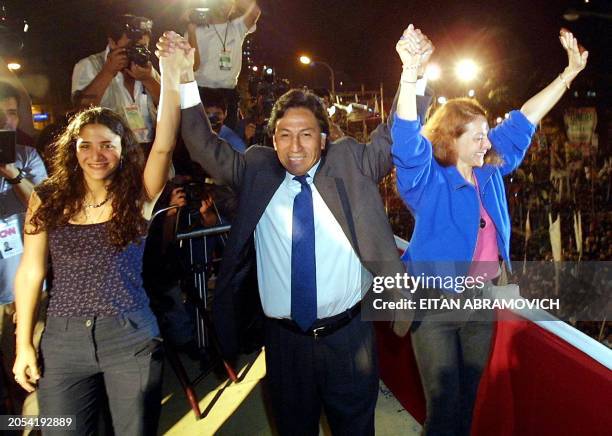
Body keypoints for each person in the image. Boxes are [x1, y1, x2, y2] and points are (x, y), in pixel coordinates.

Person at [156, 31, 432, 435]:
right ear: (273, 140)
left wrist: (412, 74)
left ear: (323, 139)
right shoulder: (255, 169)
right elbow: (200, 143)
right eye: (284, 135)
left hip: (349, 339)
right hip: (285, 344)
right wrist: (182, 76)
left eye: (306, 134)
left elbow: (393, 137)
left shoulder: (351, 163)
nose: (295, 146)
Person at [391, 25, 588, 435]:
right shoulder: (428, 179)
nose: (487, 142)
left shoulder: (492, 168)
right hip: (435, 303)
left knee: (467, 401)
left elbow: (525, 117)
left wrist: (568, 75)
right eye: (478, 136)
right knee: (443, 408)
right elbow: (407, 141)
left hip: (481, 301)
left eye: (486, 134)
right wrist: (410, 75)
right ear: (451, 138)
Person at [11, 39, 187, 435]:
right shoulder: (48, 198)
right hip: (63, 341)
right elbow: (30, 271)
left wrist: (171, 72)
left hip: (130, 337)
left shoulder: (137, 194)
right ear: (72, 150)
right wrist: (23, 344)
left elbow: (164, 143)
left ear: (122, 149)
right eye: (85, 145)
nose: (96, 154)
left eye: (107, 145)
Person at [0, 82, 47, 420]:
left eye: (12, 113)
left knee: (35, 372)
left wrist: (12, 174)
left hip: (26, 287)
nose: (6, 121)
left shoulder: (27, 157)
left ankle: (39, 425)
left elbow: (42, 207)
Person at [72, 14, 160, 144]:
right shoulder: (89, 65)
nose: (138, 52)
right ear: (112, 42)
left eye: (143, 47)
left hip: (150, 148)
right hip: (113, 149)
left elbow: (169, 106)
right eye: (132, 46)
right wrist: (107, 72)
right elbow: (81, 112)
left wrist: (148, 79)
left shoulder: (146, 67)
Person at [184, 0, 261, 130]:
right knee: (196, 138)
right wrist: (191, 31)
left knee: (227, 139)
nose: (224, 4)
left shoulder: (237, 27)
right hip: (200, 92)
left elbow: (254, 12)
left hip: (228, 93)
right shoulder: (195, 29)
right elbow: (192, 66)